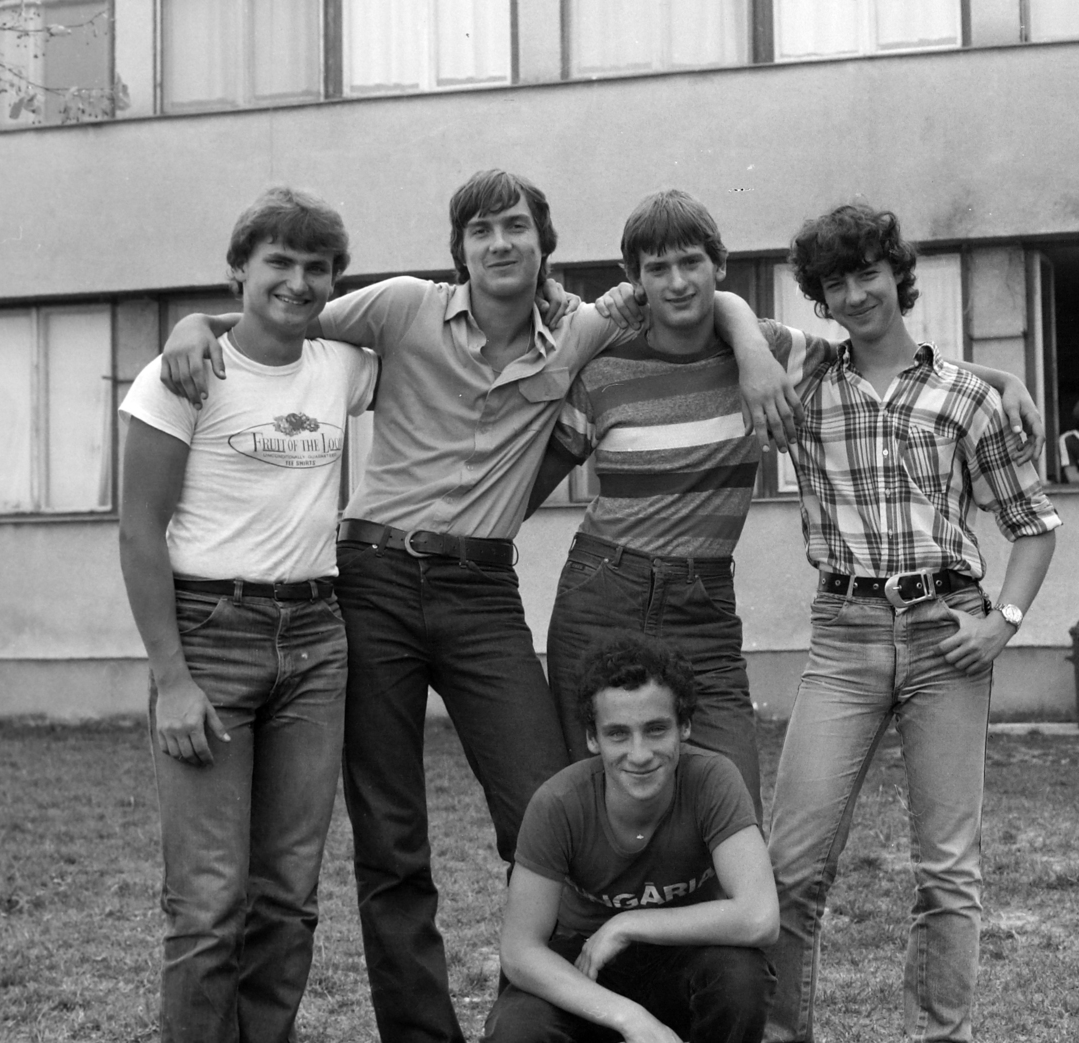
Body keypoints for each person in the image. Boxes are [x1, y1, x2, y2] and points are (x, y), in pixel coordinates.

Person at [156, 170, 800, 1043]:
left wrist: (753, 345)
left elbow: (689, 287)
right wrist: (198, 324)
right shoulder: (400, 307)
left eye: (516, 228)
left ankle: (541, 1013)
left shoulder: (580, 329)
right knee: (391, 838)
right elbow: (285, 315)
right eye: (482, 230)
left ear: (543, 246)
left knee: (542, 801)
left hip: (482, 592)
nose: (500, 243)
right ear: (459, 249)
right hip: (374, 581)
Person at [529, 190, 1045, 820]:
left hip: (702, 602)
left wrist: (1000, 378)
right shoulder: (606, 370)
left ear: (720, 264)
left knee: (731, 807)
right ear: (634, 278)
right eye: (657, 269)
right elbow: (528, 482)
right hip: (603, 587)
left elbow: (886, 360)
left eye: (691, 263)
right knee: (591, 797)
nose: (677, 281)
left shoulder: (775, 353)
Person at [761, 204, 1061, 1043]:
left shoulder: (968, 397)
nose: (856, 294)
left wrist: (1002, 621)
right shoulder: (805, 387)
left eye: (869, 273)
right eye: (835, 283)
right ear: (819, 298)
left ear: (898, 274)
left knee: (948, 870)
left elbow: (1033, 525)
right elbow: (719, 320)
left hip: (947, 632)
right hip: (844, 630)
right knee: (791, 864)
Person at [116, 187, 378, 1043]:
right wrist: (172, 679)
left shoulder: (343, 365)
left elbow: (440, 340)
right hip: (210, 636)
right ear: (239, 269)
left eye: (317, 268)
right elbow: (139, 531)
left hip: (315, 639)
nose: (298, 282)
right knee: (207, 900)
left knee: (288, 895)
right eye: (279, 262)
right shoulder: (182, 375)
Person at [484, 634, 779, 1043]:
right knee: (517, 1028)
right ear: (593, 739)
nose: (639, 754)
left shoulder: (713, 780)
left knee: (741, 979)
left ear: (684, 727)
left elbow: (760, 917)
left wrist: (627, 924)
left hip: (684, 958)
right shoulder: (559, 802)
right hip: (586, 962)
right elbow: (519, 951)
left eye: (656, 729)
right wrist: (629, 1017)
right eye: (618, 734)